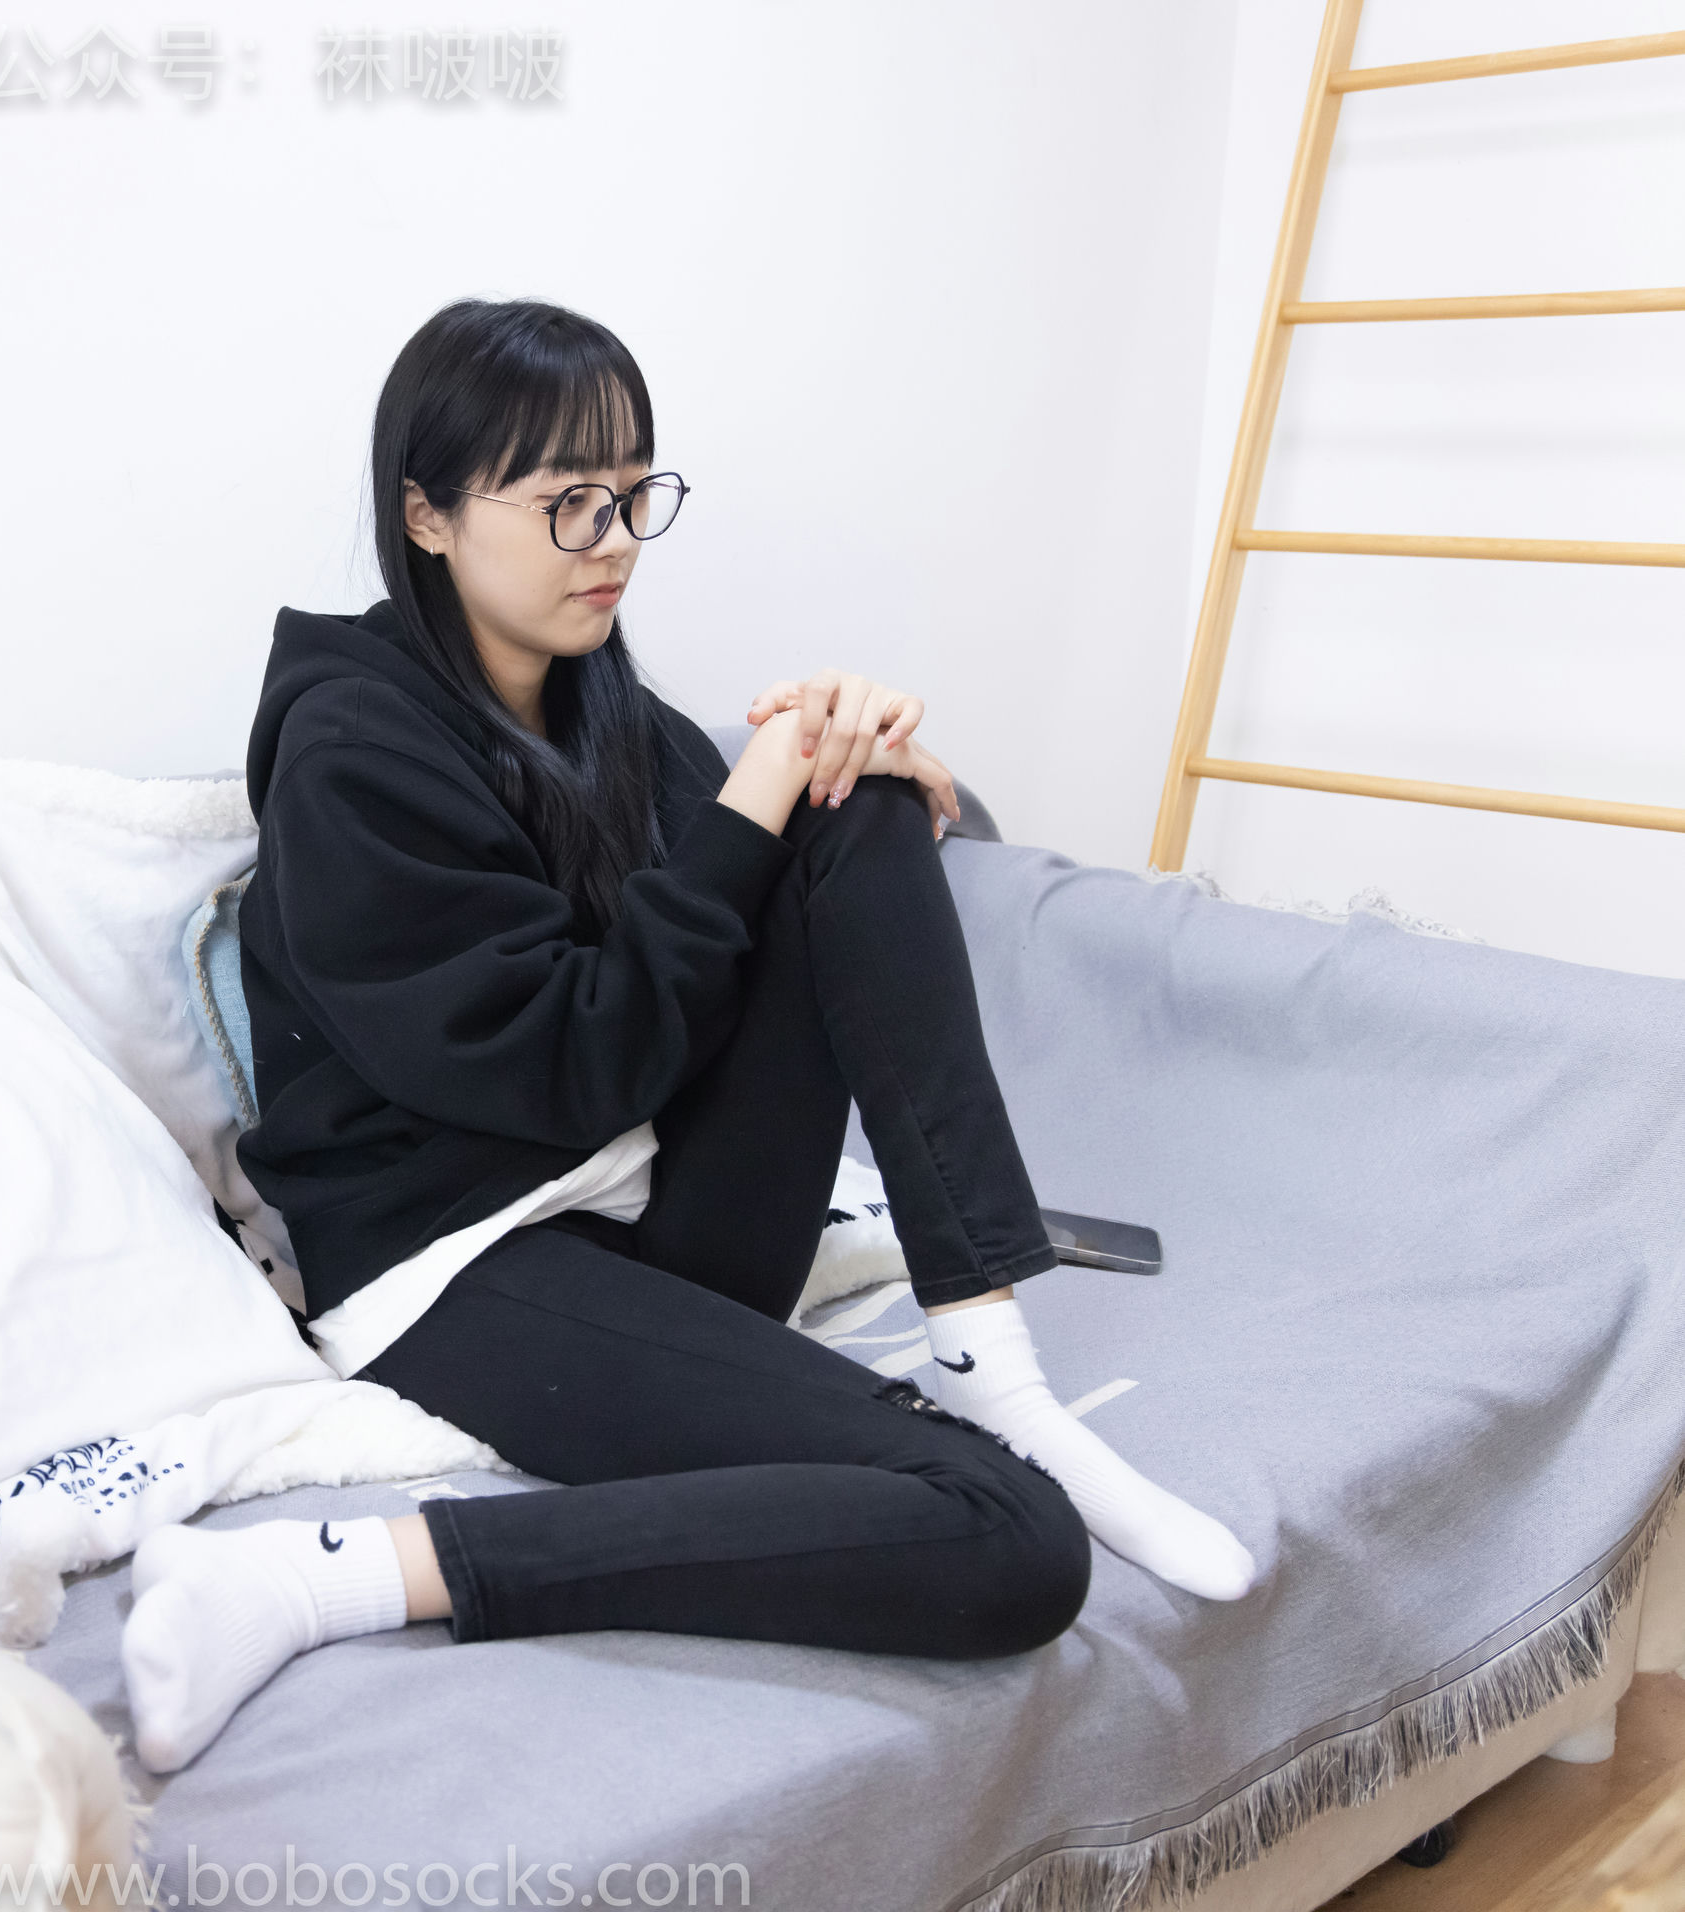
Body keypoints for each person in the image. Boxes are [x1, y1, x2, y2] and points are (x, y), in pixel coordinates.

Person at [116, 298, 1258, 1776]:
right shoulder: (352, 752)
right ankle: (313, 1578)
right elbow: (577, 1062)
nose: (611, 541)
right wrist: (755, 795)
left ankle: (990, 1356)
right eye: (565, 502)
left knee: (851, 806)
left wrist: (865, 767)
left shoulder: (602, 705)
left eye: (632, 494)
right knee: (1007, 1537)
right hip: (465, 1265)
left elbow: (755, 928)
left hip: (648, 1203)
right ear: (427, 515)